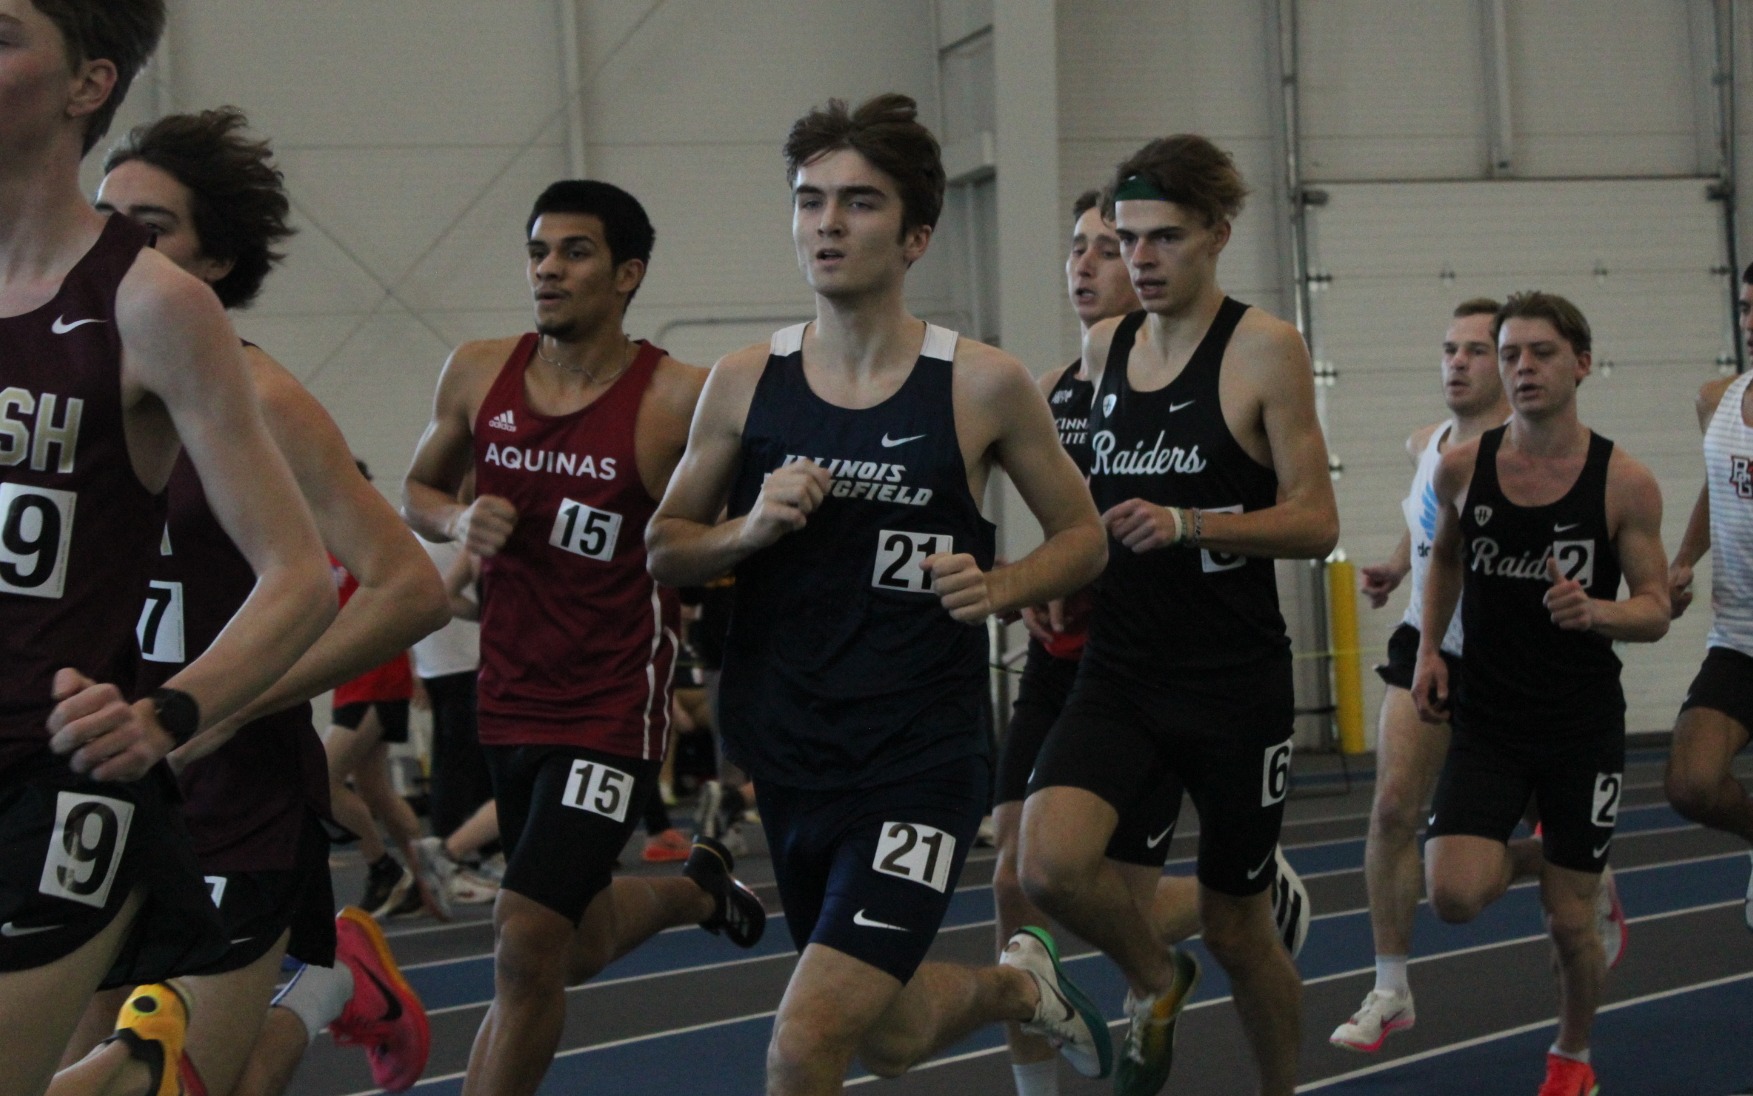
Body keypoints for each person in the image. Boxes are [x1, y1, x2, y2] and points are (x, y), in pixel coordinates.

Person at [647, 93, 1112, 1096]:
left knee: (803, 1043)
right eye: (810, 200)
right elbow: (664, 548)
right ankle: (1017, 991)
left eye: (857, 204)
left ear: (915, 236)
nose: (826, 223)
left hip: (917, 755)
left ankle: (1012, 990)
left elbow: (1081, 540)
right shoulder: (742, 380)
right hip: (790, 750)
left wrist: (1000, 584)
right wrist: (749, 527)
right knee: (886, 1036)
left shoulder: (980, 384)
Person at [78, 105, 452, 1095]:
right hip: (81, 783)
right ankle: (332, 984)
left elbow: (408, 586)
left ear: (213, 263)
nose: (117, 247)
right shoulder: (58, 388)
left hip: (226, 792)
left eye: (149, 229)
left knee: (170, 1079)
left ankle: (325, 982)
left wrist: (227, 702)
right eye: (104, 219)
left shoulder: (261, 400)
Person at [0, 7, 336, 1096]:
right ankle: (142, 1067)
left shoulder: (151, 305)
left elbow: (298, 575)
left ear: (87, 83)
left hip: (53, 781)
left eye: (1, 32)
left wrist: (165, 714)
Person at [402, 178, 766, 1096]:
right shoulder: (478, 370)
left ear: (627, 273)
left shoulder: (676, 398)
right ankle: (695, 889)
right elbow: (418, 490)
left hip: (610, 705)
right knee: (575, 941)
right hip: (508, 694)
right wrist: (454, 525)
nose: (548, 270)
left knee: (525, 938)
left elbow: (736, 533)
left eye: (573, 252)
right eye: (537, 252)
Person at [1018, 135, 1340, 1096]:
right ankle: (1158, 979)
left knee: (1239, 925)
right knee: (1046, 868)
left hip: (1232, 682)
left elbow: (1317, 521)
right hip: (1118, 668)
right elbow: (1090, 509)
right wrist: (1050, 572)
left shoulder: (1265, 349)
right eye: (1124, 240)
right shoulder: (1102, 346)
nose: (1141, 259)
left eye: (1163, 238)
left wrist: (1191, 521)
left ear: (1216, 235)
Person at [1413, 291, 1669, 1096]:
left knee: (1567, 923)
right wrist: (1428, 646)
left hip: (1578, 724)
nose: (1522, 368)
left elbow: (1656, 608)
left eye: (1541, 353)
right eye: (1511, 353)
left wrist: (1596, 611)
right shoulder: (1463, 467)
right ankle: (1567, 863)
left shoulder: (1621, 481)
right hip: (1487, 717)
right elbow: (1445, 559)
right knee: (1451, 894)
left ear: (1580, 364)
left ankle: (1571, 1059)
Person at [1330, 299, 1527, 1050]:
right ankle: (1389, 986)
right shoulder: (1428, 442)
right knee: (1389, 810)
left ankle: (1576, 862)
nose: (1456, 363)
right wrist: (1390, 564)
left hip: (1513, 660)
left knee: (1474, 880)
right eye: (1449, 349)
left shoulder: (1529, 453)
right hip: (1428, 643)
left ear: (1507, 363)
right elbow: (1427, 522)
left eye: (1476, 351)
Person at [1665, 262, 1753, 933]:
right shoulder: (1716, 399)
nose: (1752, 322)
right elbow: (1715, 484)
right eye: (1748, 308)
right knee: (1691, 785)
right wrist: (1682, 559)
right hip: (1738, 636)